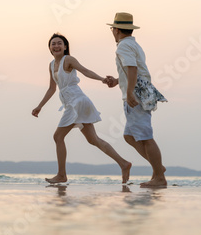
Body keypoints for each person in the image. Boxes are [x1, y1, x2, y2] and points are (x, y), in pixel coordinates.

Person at [32, 33, 132, 184]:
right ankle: (123, 163)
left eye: (60, 43)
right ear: (50, 48)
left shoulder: (69, 60)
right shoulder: (51, 65)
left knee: (58, 137)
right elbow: (52, 88)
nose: (56, 46)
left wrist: (102, 79)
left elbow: (85, 71)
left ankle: (61, 175)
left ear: (65, 47)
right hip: (73, 103)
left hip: (77, 102)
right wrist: (40, 106)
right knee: (94, 140)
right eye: (53, 44)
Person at [105, 12, 167, 187]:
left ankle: (159, 176)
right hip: (141, 91)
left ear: (116, 30)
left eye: (112, 29)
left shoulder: (123, 47)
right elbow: (134, 70)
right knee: (129, 136)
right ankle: (158, 168)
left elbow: (132, 68)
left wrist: (130, 92)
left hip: (136, 95)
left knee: (146, 137)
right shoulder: (133, 44)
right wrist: (118, 81)